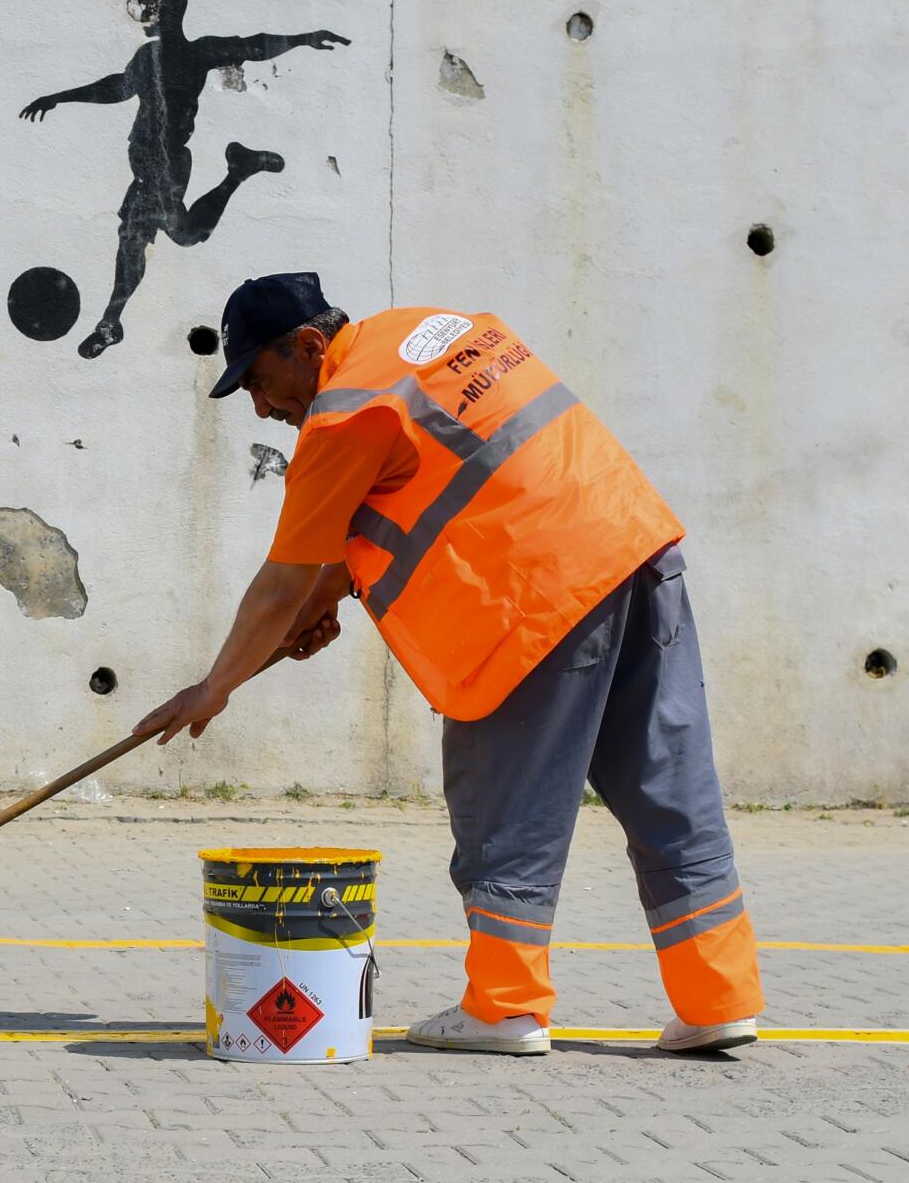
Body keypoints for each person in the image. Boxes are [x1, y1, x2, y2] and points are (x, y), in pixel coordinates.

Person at [135, 273, 765, 1055]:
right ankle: (718, 997)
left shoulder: (344, 411)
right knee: (668, 785)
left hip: (536, 602)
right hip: (631, 548)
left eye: (261, 382)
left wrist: (213, 687)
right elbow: (427, 493)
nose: (262, 409)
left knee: (507, 806)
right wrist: (324, 601)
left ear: (308, 347)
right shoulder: (434, 333)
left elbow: (281, 582)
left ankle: (504, 1006)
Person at [18, 0, 347, 359]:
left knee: (152, 236)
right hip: (149, 167)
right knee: (172, 234)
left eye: (150, 5)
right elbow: (116, 87)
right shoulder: (146, 58)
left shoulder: (197, 53)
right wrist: (60, 97)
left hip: (166, 164)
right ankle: (238, 170)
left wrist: (302, 39)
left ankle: (111, 320)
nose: (143, 15)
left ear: (169, 9)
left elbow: (253, 46)